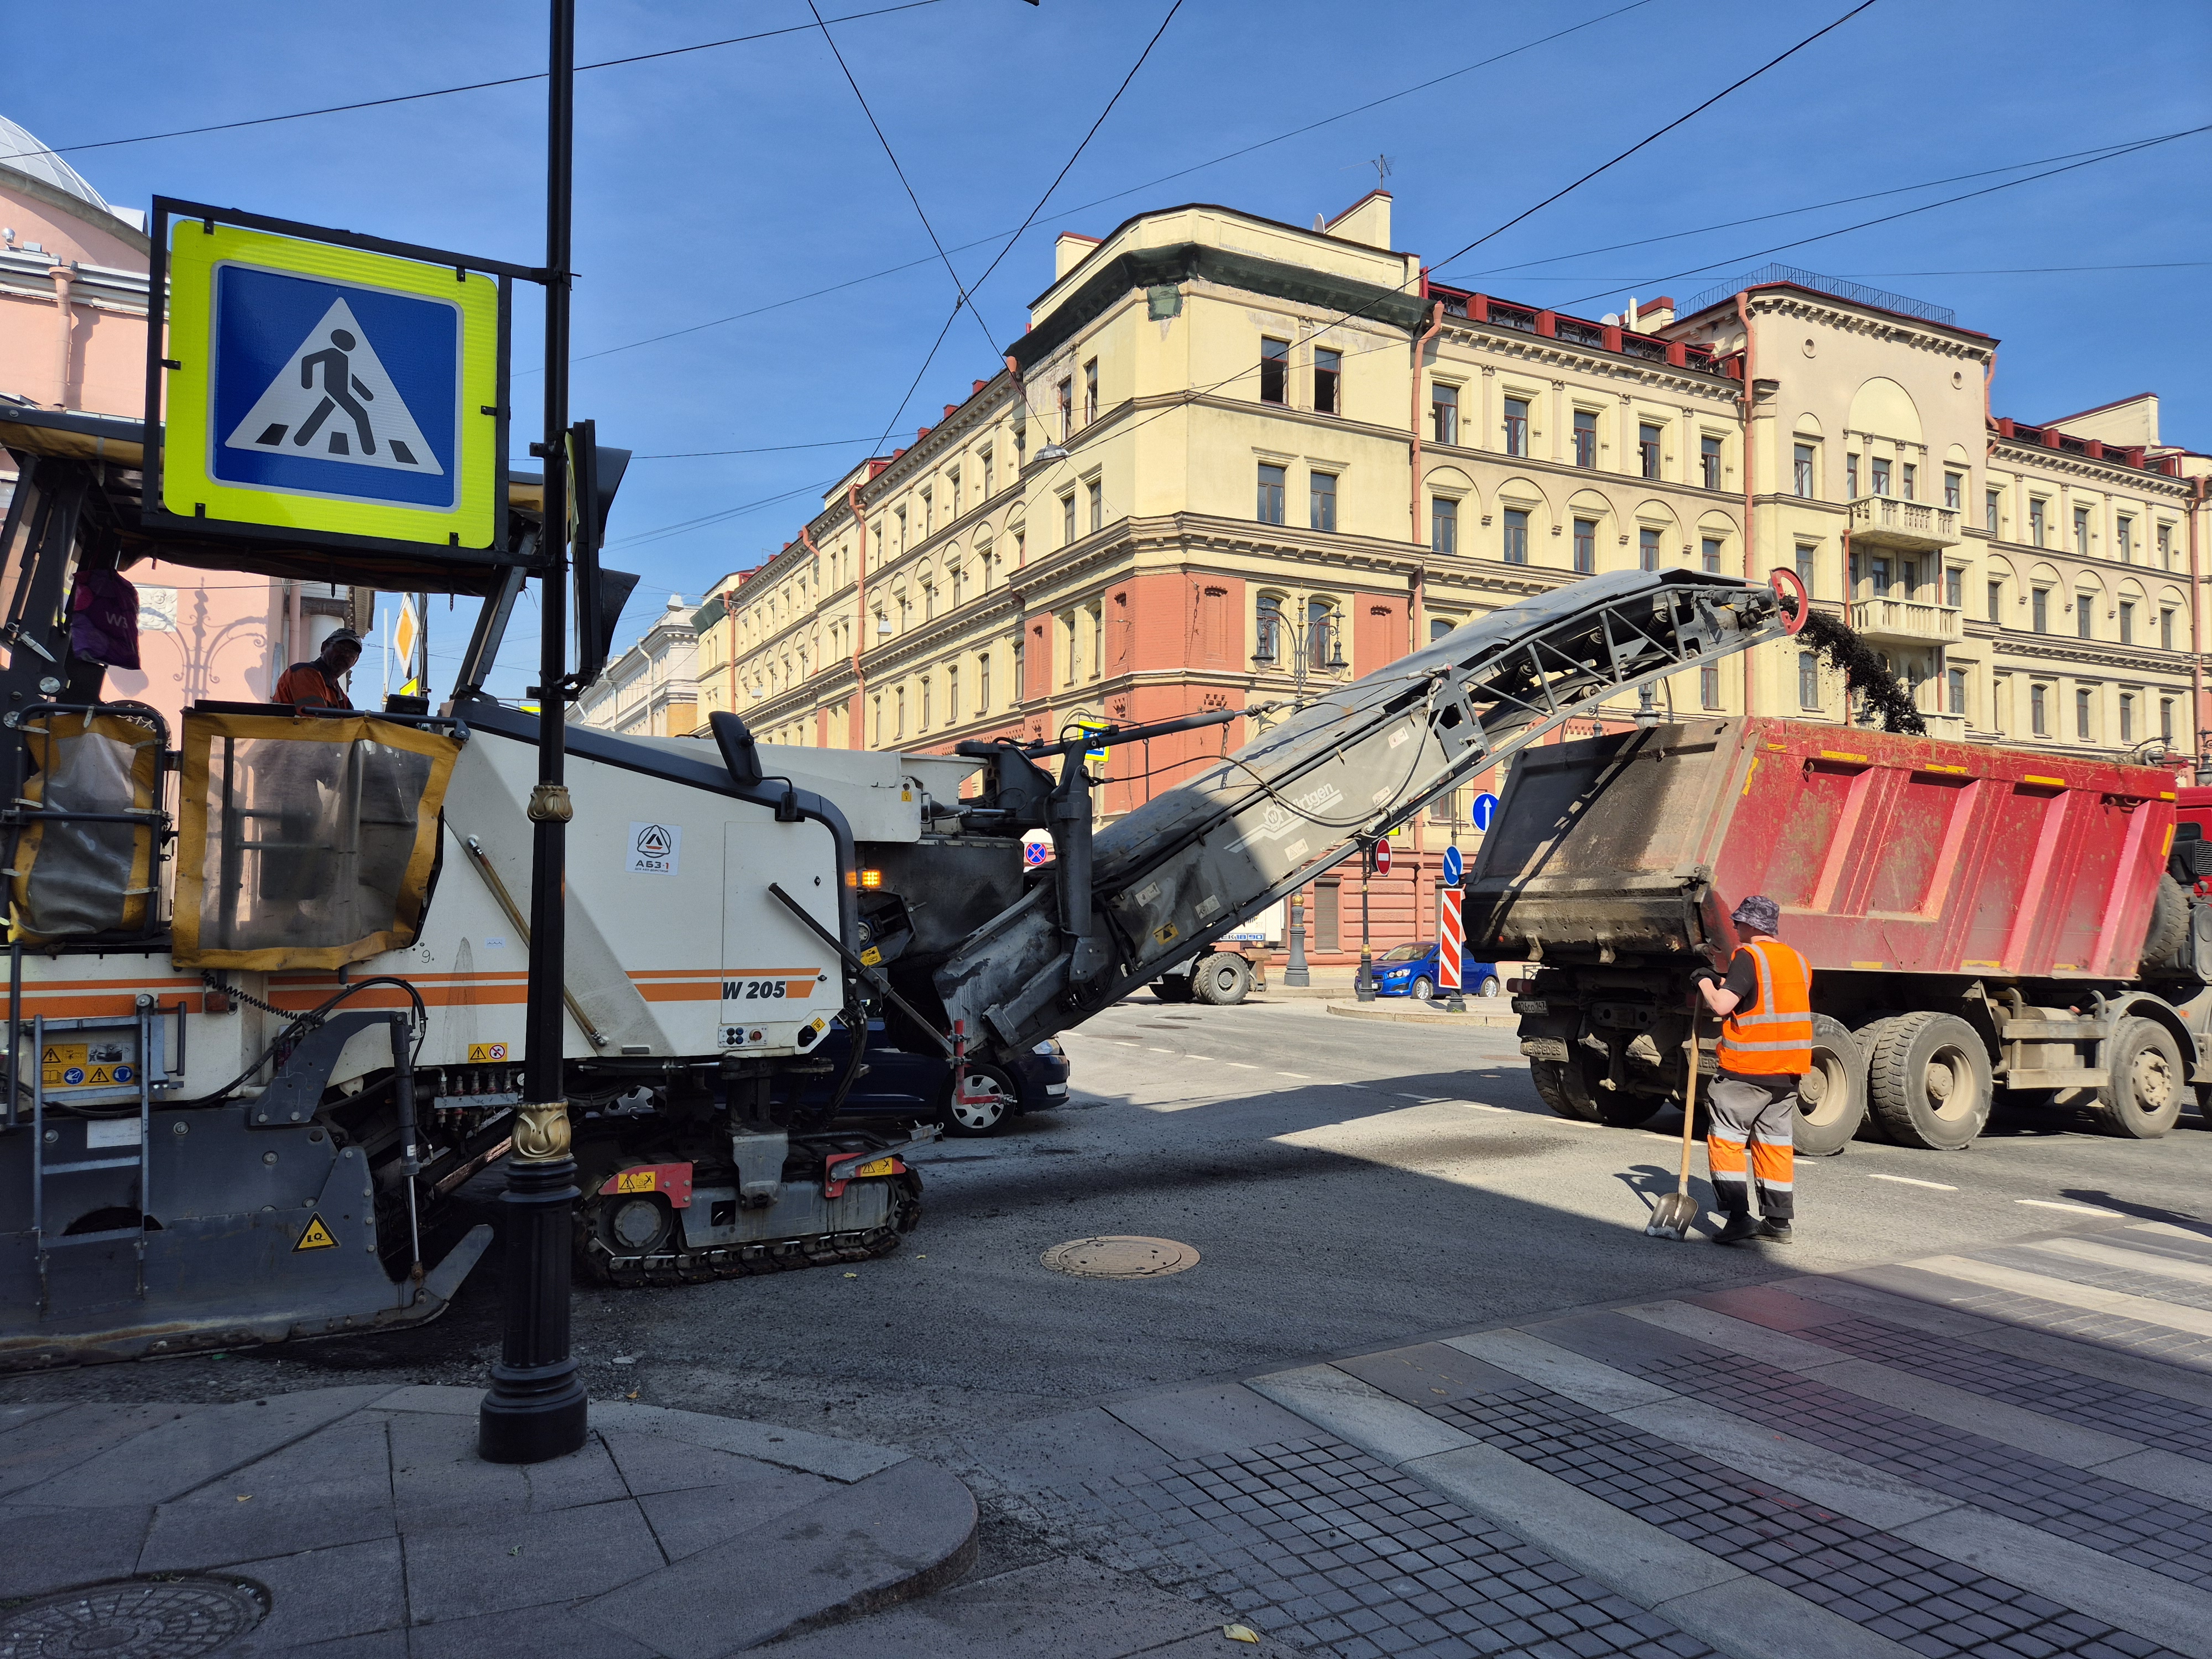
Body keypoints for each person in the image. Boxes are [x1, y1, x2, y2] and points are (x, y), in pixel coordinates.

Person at [1691, 894, 1812, 1245]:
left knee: (1727, 1139)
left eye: (1739, 921)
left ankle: (1738, 1219)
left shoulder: (1748, 957)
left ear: (1752, 925)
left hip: (1747, 1071)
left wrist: (1704, 980)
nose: (1735, 926)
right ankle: (1777, 1222)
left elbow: (1722, 1005)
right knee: (1775, 1143)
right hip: (1787, 1072)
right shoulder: (1798, 961)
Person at [274, 628, 361, 708]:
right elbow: (317, 719)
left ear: (355, 661)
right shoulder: (304, 674)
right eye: (341, 647)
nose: (346, 655)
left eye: (352, 653)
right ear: (324, 647)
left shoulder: (342, 698)